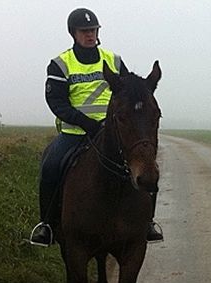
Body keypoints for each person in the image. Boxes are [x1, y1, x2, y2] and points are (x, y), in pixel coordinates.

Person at [29, 8, 163, 246]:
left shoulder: (113, 60)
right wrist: (85, 122)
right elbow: (56, 101)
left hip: (113, 131)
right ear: (74, 34)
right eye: (84, 31)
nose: (90, 35)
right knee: (50, 166)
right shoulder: (61, 64)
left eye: (93, 31)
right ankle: (46, 224)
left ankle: (148, 222)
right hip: (75, 132)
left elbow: (129, 90)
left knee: (146, 164)